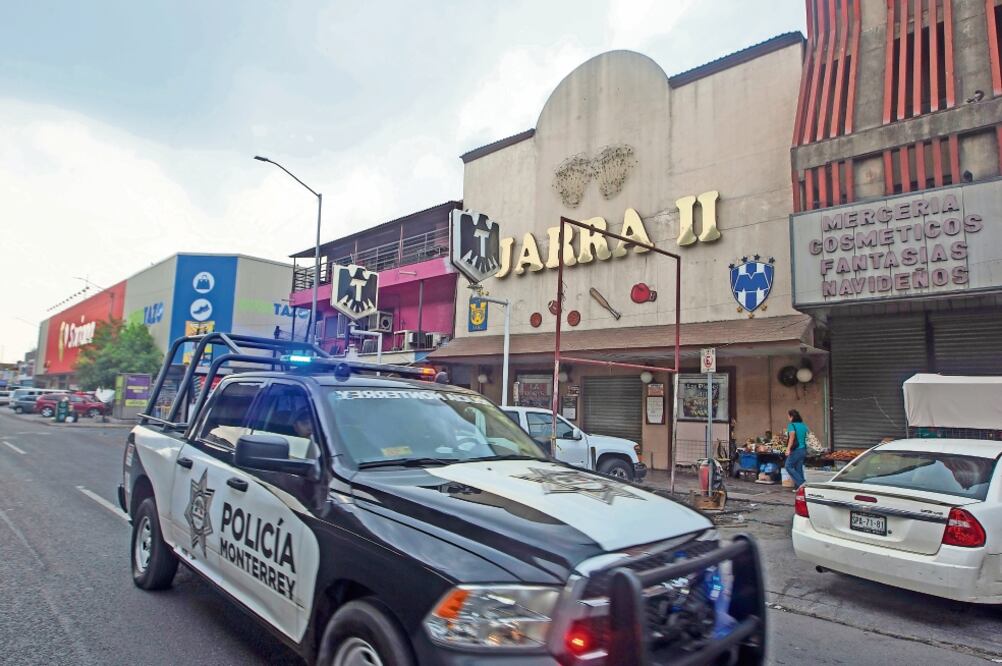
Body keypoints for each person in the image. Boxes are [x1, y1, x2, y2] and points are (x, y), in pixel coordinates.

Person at [785, 409, 809, 490]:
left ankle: (802, 482)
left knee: (788, 466)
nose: (788, 418)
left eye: (788, 416)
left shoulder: (791, 425)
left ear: (792, 417)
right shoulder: (803, 425)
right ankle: (801, 488)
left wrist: (788, 449)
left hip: (796, 450)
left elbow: (791, 438)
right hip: (803, 450)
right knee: (798, 468)